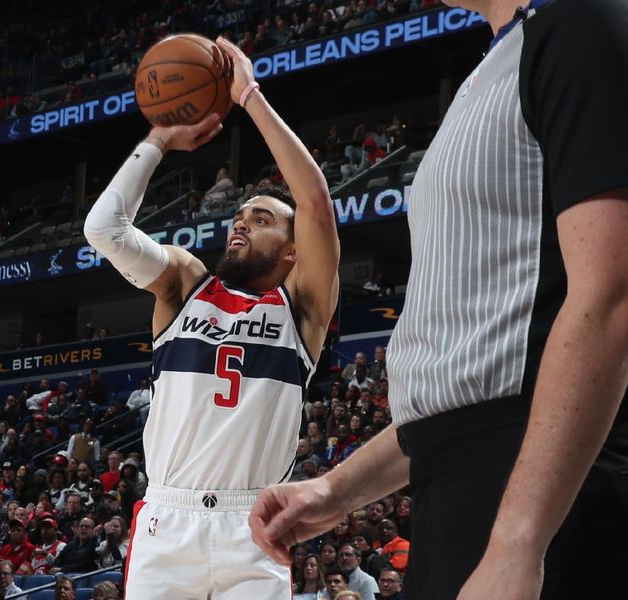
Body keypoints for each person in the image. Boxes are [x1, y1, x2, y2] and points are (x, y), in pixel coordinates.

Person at [249, 1, 628, 600]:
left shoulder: (580, 22)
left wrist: (519, 540)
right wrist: (338, 488)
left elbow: (612, 295)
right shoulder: (500, 59)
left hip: (542, 494)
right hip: (467, 487)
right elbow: (470, 384)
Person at [83, 35, 339, 600]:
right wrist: (159, 139)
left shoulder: (301, 309)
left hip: (253, 523)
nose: (242, 223)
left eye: (265, 218)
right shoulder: (184, 283)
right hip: (168, 520)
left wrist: (248, 95)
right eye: (241, 214)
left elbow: (316, 202)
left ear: (293, 252)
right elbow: (103, 230)